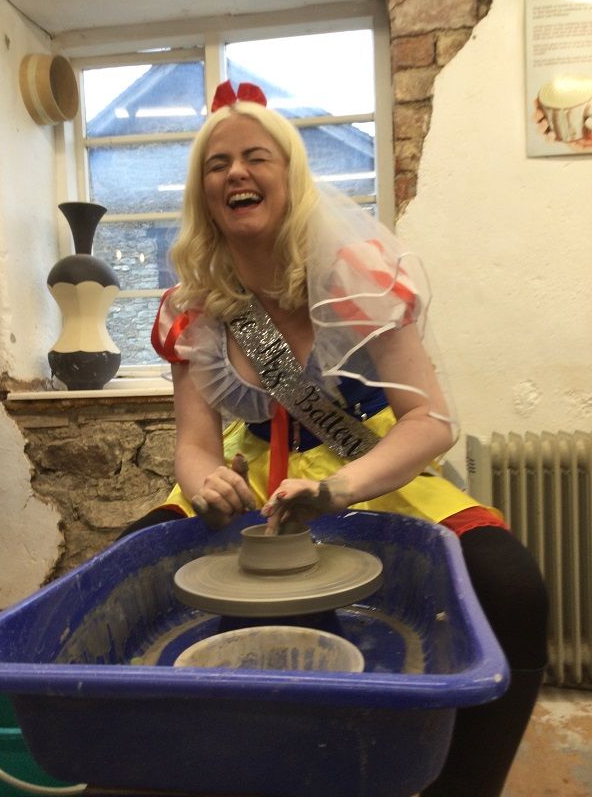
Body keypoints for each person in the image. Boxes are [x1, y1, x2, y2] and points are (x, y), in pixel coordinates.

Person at [124, 80, 548, 796]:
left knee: (513, 589)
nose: (236, 173)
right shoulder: (192, 307)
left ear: (290, 177)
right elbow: (194, 444)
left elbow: (431, 423)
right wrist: (203, 483)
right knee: (128, 574)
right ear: (203, 193)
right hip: (256, 470)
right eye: (216, 163)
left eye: (257, 156)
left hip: (369, 463)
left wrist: (337, 490)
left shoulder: (355, 276)